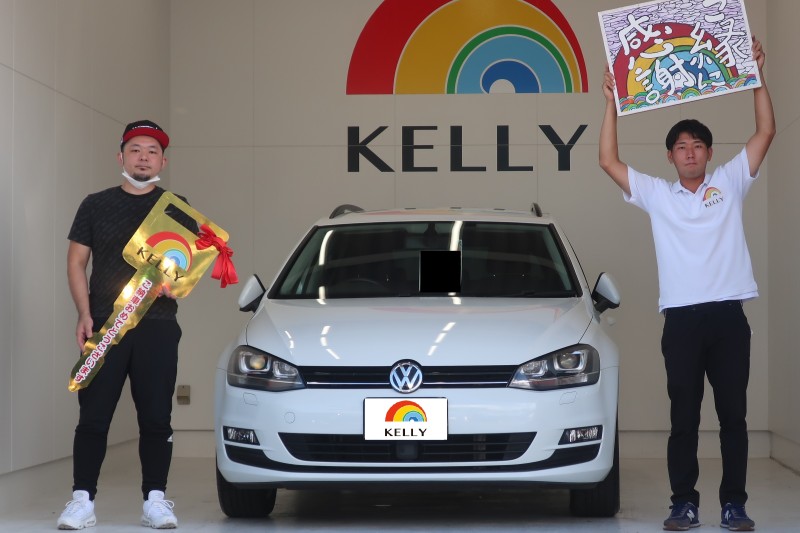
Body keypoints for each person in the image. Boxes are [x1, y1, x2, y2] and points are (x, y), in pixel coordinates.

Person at [599, 38, 774, 532]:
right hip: (680, 320)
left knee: (733, 418)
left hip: (728, 318)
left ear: (709, 153)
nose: (690, 152)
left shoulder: (730, 181)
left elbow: (765, 131)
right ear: (671, 157)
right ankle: (684, 503)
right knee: (684, 420)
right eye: (682, 147)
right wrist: (611, 102)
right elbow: (608, 160)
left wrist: (756, 76)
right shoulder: (658, 195)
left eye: (698, 145)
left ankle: (734, 504)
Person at [58, 120, 185, 530]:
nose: (143, 157)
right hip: (105, 326)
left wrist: (176, 284)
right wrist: (83, 313)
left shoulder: (176, 207)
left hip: (157, 324)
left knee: (156, 416)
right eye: (135, 150)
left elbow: (185, 271)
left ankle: (155, 501)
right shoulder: (95, 204)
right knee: (93, 416)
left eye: (152, 151)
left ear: (163, 161)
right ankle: (82, 501)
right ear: (121, 157)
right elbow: (76, 262)